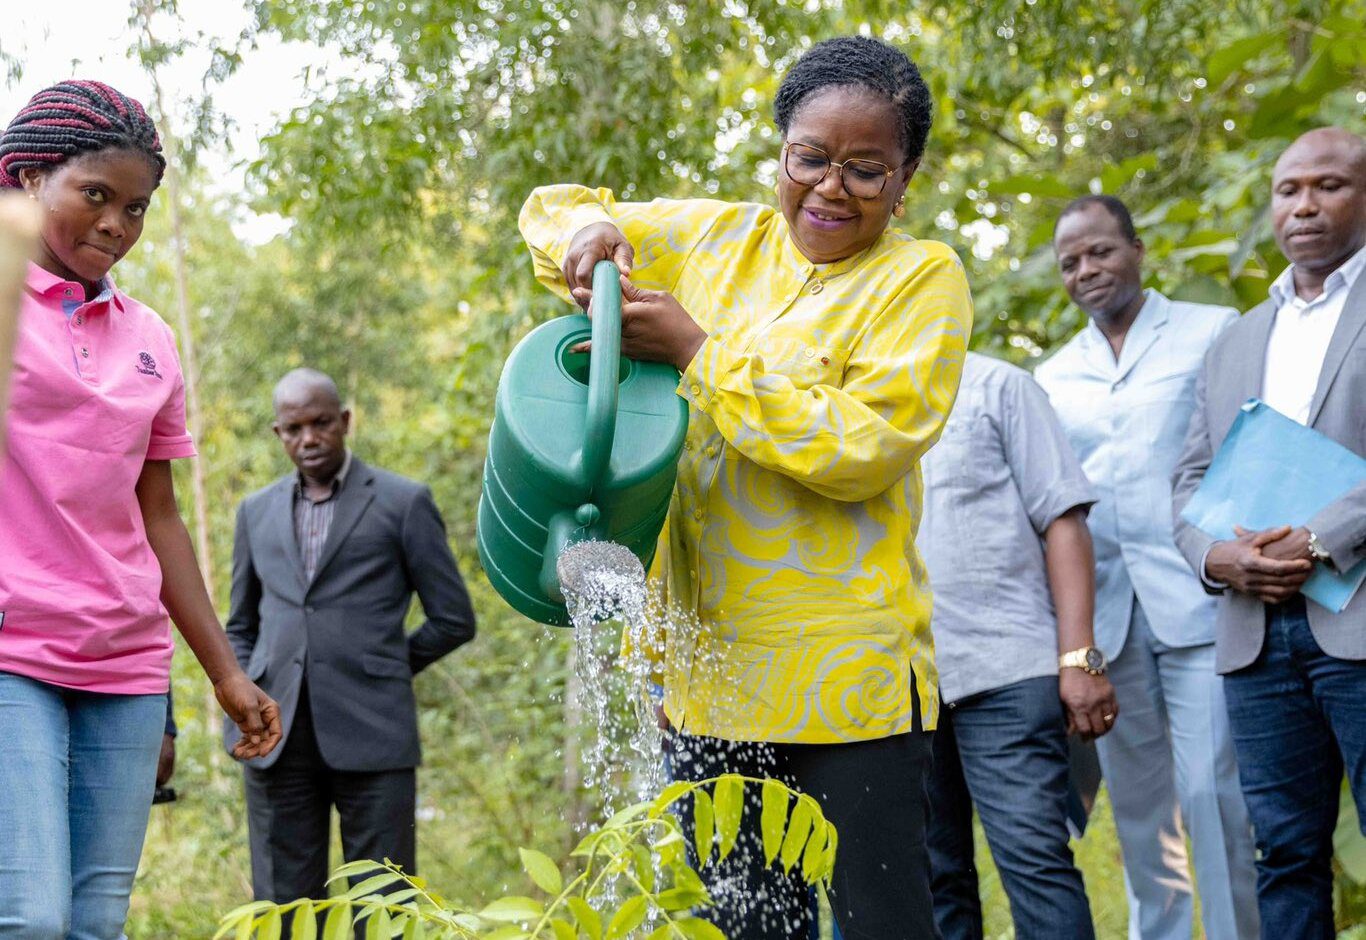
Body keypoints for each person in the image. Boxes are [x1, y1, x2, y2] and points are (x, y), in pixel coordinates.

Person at [520, 35, 973, 939]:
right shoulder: (715, 239)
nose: (830, 188)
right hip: (707, 680)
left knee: (885, 921)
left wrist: (699, 354)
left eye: (865, 170)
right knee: (753, 927)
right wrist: (587, 238)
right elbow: (555, 208)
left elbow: (863, 447)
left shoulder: (921, 280)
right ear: (782, 151)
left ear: (906, 176)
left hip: (850, 687)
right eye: (810, 158)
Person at [0, 80, 281, 939]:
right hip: (13, 652)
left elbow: (159, 517)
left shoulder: (150, 339)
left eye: (137, 207)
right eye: (96, 195)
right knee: (31, 919)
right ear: (26, 179)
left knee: (95, 925)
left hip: (123, 664)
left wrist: (226, 673)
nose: (117, 224)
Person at [1035, 194, 1259, 940]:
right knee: (1139, 811)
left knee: (1213, 794)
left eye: (1100, 251)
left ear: (1137, 248)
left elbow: (1243, 453)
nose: (1086, 271)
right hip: (1109, 620)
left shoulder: (1209, 332)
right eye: (1070, 263)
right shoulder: (1054, 374)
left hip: (1202, 603)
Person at [1172, 126, 1366, 939]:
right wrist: (1219, 558)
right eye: (1289, 190)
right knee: (1283, 856)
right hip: (1255, 637)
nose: (1305, 205)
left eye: (1329, 186)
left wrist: (1320, 538)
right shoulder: (1237, 337)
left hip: (1358, 621)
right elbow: (1186, 480)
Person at [225, 367, 477, 908]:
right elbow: (241, 626)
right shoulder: (255, 512)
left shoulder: (402, 502)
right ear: (278, 434)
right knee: (283, 907)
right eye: (294, 428)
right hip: (277, 736)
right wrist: (247, 696)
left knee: (383, 901)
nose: (309, 439)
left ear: (344, 421)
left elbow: (454, 618)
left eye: (320, 423)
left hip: (374, 731)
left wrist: (383, 666)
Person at [919, 351, 1115, 940]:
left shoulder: (998, 385)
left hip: (1005, 672)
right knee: (933, 877)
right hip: (899, 684)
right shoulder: (855, 394)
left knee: (1035, 863)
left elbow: (1063, 518)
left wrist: (1079, 658)